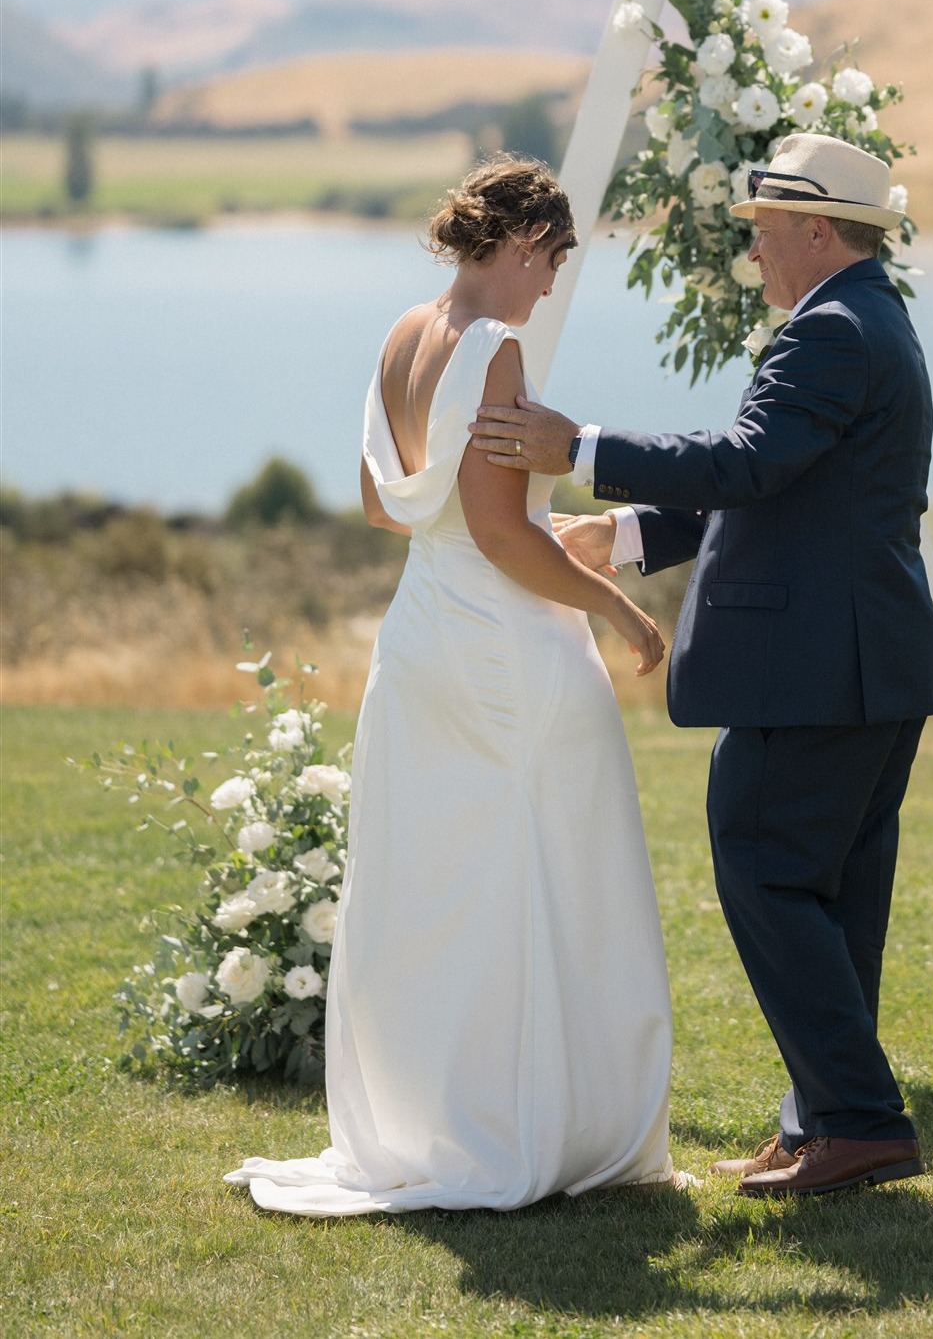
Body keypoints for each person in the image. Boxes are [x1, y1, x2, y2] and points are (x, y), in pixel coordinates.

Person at [470, 132, 933, 1197]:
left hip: (820, 671)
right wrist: (625, 536)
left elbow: (747, 461)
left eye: (766, 231)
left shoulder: (831, 330)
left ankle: (862, 1120)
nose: (757, 252)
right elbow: (773, 481)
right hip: (863, 666)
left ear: (816, 227)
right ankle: (825, 1117)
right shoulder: (863, 319)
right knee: (831, 895)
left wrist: (577, 447)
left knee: (766, 868)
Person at [225, 155, 679, 1215]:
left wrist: (512, 531)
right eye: (555, 262)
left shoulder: (402, 336)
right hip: (506, 653)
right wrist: (615, 605)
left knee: (438, 875)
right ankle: (534, 1119)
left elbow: (393, 508)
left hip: (422, 632)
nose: (551, 286)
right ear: (524, 244)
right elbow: (502, 533)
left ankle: (444, 1106)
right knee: (552, 862)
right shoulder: (496, 350)